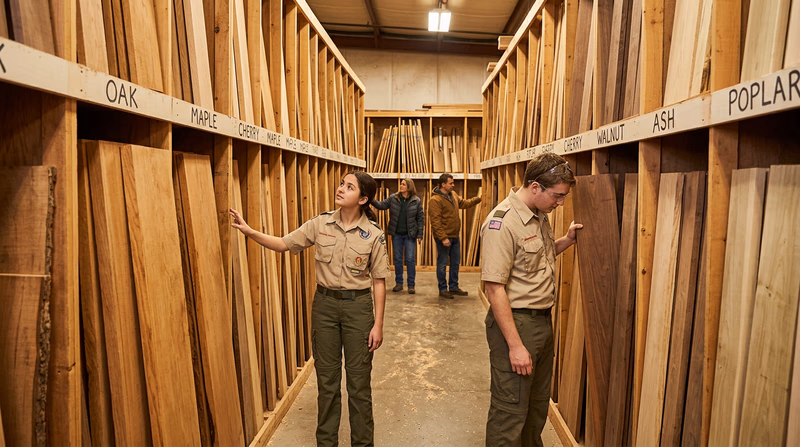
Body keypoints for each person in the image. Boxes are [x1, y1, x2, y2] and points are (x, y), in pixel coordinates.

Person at [229, 171, 390, 447]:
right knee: (327, 384)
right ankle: (326, 443)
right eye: (341, 183)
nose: (341, 189)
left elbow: (378, 282)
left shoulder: (373, 235)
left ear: (363, 199)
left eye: (349, 187)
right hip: (325, 307)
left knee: (359, 386)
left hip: (358, 310)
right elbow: (283, 243)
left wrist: (378, 325)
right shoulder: (321, 224)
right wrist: (249, 230)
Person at [479, 153, 582, 447]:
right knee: (510, 412)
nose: (560, 203)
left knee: (536, 408)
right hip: (516, 324)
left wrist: (567, 240)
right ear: (535, 187)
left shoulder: (538, 215)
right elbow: (494, 290)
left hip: (541, 324)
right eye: (557, 196)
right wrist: (515, 346)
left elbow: (537, 260)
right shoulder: (503, 224)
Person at [429, 173, 482, 298]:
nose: (453, 185)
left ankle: (453, 287)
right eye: (451, 183)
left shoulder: (453, 195)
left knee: (455, 262)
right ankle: (442, 289)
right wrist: (443, 238)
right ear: (443, 184)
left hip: (454, 235)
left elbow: (464, 203)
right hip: (444, 237)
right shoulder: (435, 200)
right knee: (442, 263)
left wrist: (479, 198)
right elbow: (435, 222)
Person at [371, 178, 425, 294]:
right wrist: (370, 199)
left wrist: (420, 234)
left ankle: (411, 285)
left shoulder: (416, 201)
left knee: (410, 259)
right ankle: (399, 283)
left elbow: (420, 218)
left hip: (410, 234)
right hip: (397, 234)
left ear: (409, 187)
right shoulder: (393, 198)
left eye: (403, 184)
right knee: (398, 259)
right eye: (401, 184)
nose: (401, 186)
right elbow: (381, 205)